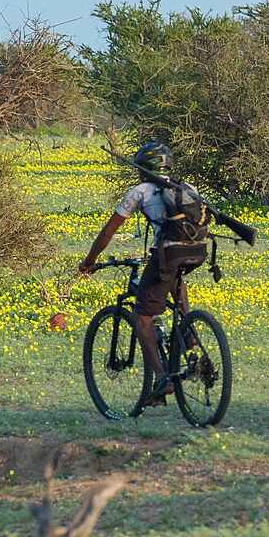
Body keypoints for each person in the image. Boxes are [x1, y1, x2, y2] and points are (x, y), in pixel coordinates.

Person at [79, 141, 209, 406]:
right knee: (173, 282)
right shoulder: (186, 187)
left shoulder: (140, 192)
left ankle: (162, 380)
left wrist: (89, 261)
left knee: (143, 318)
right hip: (197, 251)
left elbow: (108, 231)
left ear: (144, 169)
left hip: (168, 253)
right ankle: (189, 335)